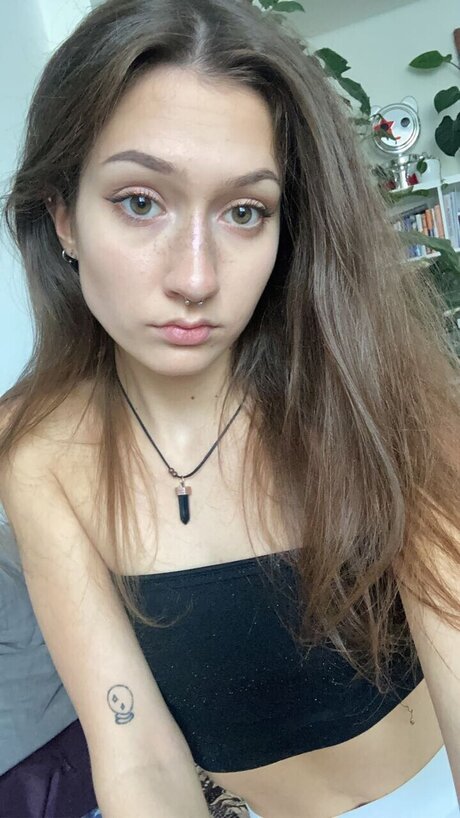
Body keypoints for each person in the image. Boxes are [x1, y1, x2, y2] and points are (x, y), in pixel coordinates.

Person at [0, 0, 459, 816]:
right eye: (140, 201)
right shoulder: (39, 453)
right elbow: (136, 752)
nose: (196, 277)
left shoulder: (371, 390)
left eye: (245, 212)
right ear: (62, 216)